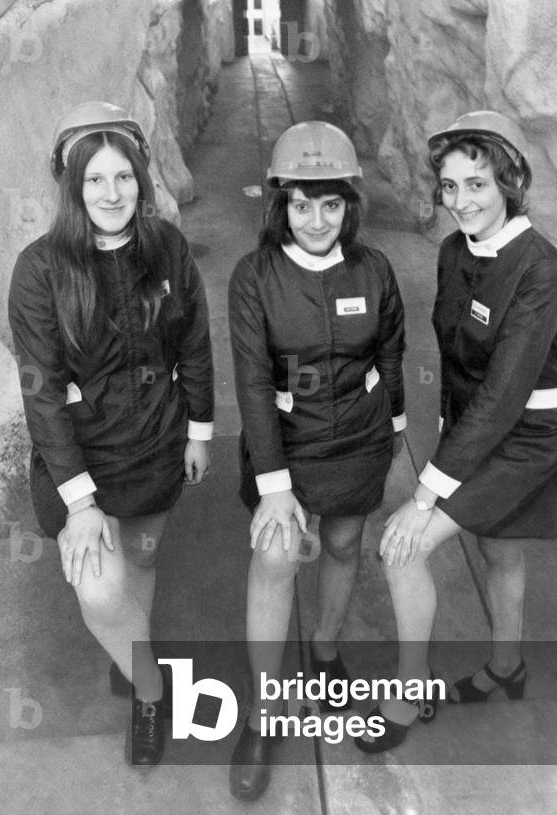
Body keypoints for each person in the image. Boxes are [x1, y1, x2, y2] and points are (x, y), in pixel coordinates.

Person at [357, 110, 557, 753]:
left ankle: (407, 690)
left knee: (405, 547)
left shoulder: (542, 271)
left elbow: (507, 394)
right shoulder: (454, 252)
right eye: (449, 187)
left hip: (528, 432)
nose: (461, 202)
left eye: (476, 184)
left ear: (510, 180)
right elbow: (455, 360)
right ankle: (508, 667)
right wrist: (447, 433)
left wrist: (427, 489)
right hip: (475, 426)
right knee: (498, 549)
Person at [8, 101, 214, 766]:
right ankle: (151, 689)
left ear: (141, 179)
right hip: (82, 463)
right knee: (99, 584)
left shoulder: (168, 249)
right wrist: (79, 502)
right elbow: (42, 391)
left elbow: (196, 344)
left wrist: (201, 431)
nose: (111, 192)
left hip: (157, 445)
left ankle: (133, 648)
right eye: (94, 179)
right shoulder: (40, 270)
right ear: (71, 186)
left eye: (122, 176)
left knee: (143, 557)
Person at [227, 121, 406, 801]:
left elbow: (391, 348)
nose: (316, 219)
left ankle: (326, 647)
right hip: (287, 439)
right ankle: (264, 710)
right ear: (279, 205)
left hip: (358, 435)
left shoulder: (375, 268)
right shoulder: (254, 276)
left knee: (343, 538)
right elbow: (250, 380)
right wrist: (274, 487)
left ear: (349, 206)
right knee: (276, 555)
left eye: (330, 203)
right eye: (301, 203)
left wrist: (392, 421)